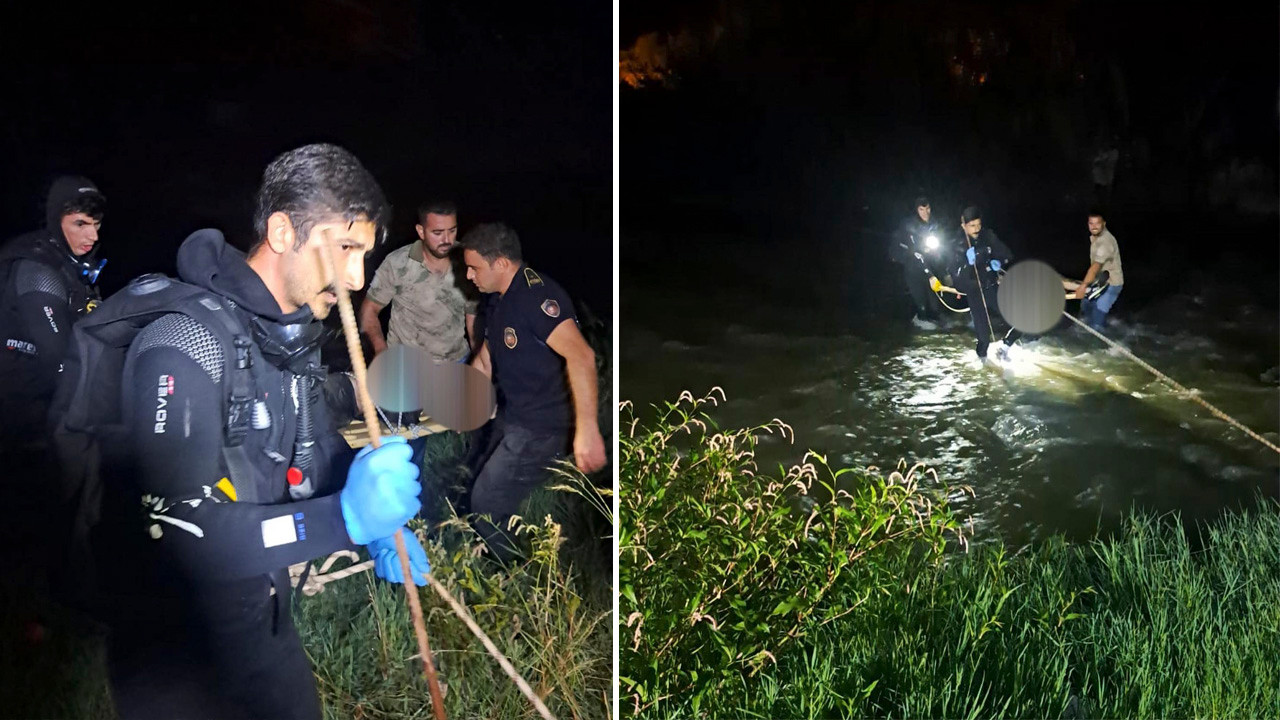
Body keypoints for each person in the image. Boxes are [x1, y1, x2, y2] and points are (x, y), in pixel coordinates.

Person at [81, 144, 429, 720]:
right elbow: (173, 532)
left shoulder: (284, 343)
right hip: (176, 657)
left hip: (262, 622)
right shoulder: (182, 345)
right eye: (345, 248)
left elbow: (307, 462)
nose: (355, 277)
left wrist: (372, 531)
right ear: (282, 231)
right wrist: (341, 518)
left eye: (365, 255)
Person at [459, 222, 606, 559]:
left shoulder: (537, 296)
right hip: (514, 415)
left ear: (500, 264)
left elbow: (582, 356)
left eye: (473, 267)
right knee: (478, 476)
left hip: (542, 426)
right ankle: (504, 547)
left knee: (485, 502)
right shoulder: (498, 301)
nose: (468, 275)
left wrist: (587, 431)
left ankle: (516, 571)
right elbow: (484, 362)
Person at [0, 176, 107, 450]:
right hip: (20, 412)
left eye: (96, 225)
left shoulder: (72, 265)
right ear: (55, 220)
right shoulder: (38, 269)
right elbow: (59, 356)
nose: (92, 236)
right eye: (80, 224)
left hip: (45, 406)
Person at [359, 199, 478, 363]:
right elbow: (369, 310)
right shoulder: (398, 262)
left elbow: (473, 320)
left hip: (456, 363)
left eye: (452, 231)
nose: (446, 240)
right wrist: (381, 350)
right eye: (437, 233)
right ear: (421, 231)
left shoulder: (469, 262)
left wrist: (480, 362)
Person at [951, 206, 1021, 361]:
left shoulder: (988, 236)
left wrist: (999, 261)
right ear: (963, 226)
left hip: (991, 287)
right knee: (984, 339)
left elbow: (1007, 254)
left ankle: (1005, 346)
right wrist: (968, 264)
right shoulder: (957, 245)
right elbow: (957, 281)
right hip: (975, 292)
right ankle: (982, 367)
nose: (976, 229)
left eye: (978, 225)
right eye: (972, 226)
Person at [1063, 210, 1124, 332]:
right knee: (1085, 310)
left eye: (1097, 223)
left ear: (1104, 224)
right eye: (1091, 223)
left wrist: (1083, 286)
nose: (1094, 226)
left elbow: (1095, 267)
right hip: (1098, 281)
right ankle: (1104, 323)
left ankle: (1104, 343)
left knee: (1096, 322)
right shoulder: (1095, 237)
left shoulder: (1106, 243)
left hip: (1111, 285)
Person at [890, 196, 945, 328]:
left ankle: (936, 322)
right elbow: (914, 252)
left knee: (935, 305)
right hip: (913, 269)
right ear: (916, 210)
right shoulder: (909, 225)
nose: (925, 213)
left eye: (928, 209)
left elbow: (942, 249)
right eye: (921, 209)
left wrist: (945, 272)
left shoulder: (935, 224)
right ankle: (918, 323)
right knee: (921, 303)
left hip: (930, 267)